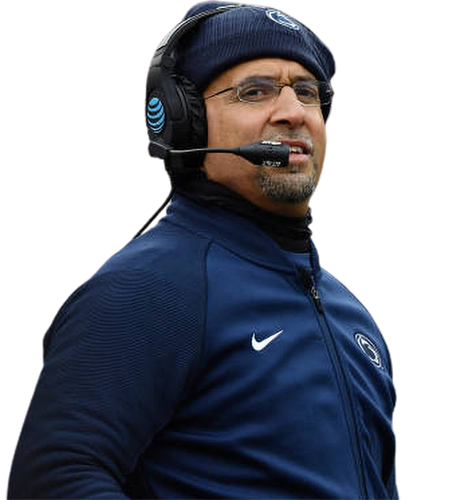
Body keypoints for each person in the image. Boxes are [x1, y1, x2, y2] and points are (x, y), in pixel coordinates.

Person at [8, 4, 396, 499]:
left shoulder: (352, 317)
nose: (294, 112)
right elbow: (55, 479)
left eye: (307, 92)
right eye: (255, 91)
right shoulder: (148, 291)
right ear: (184, 121)